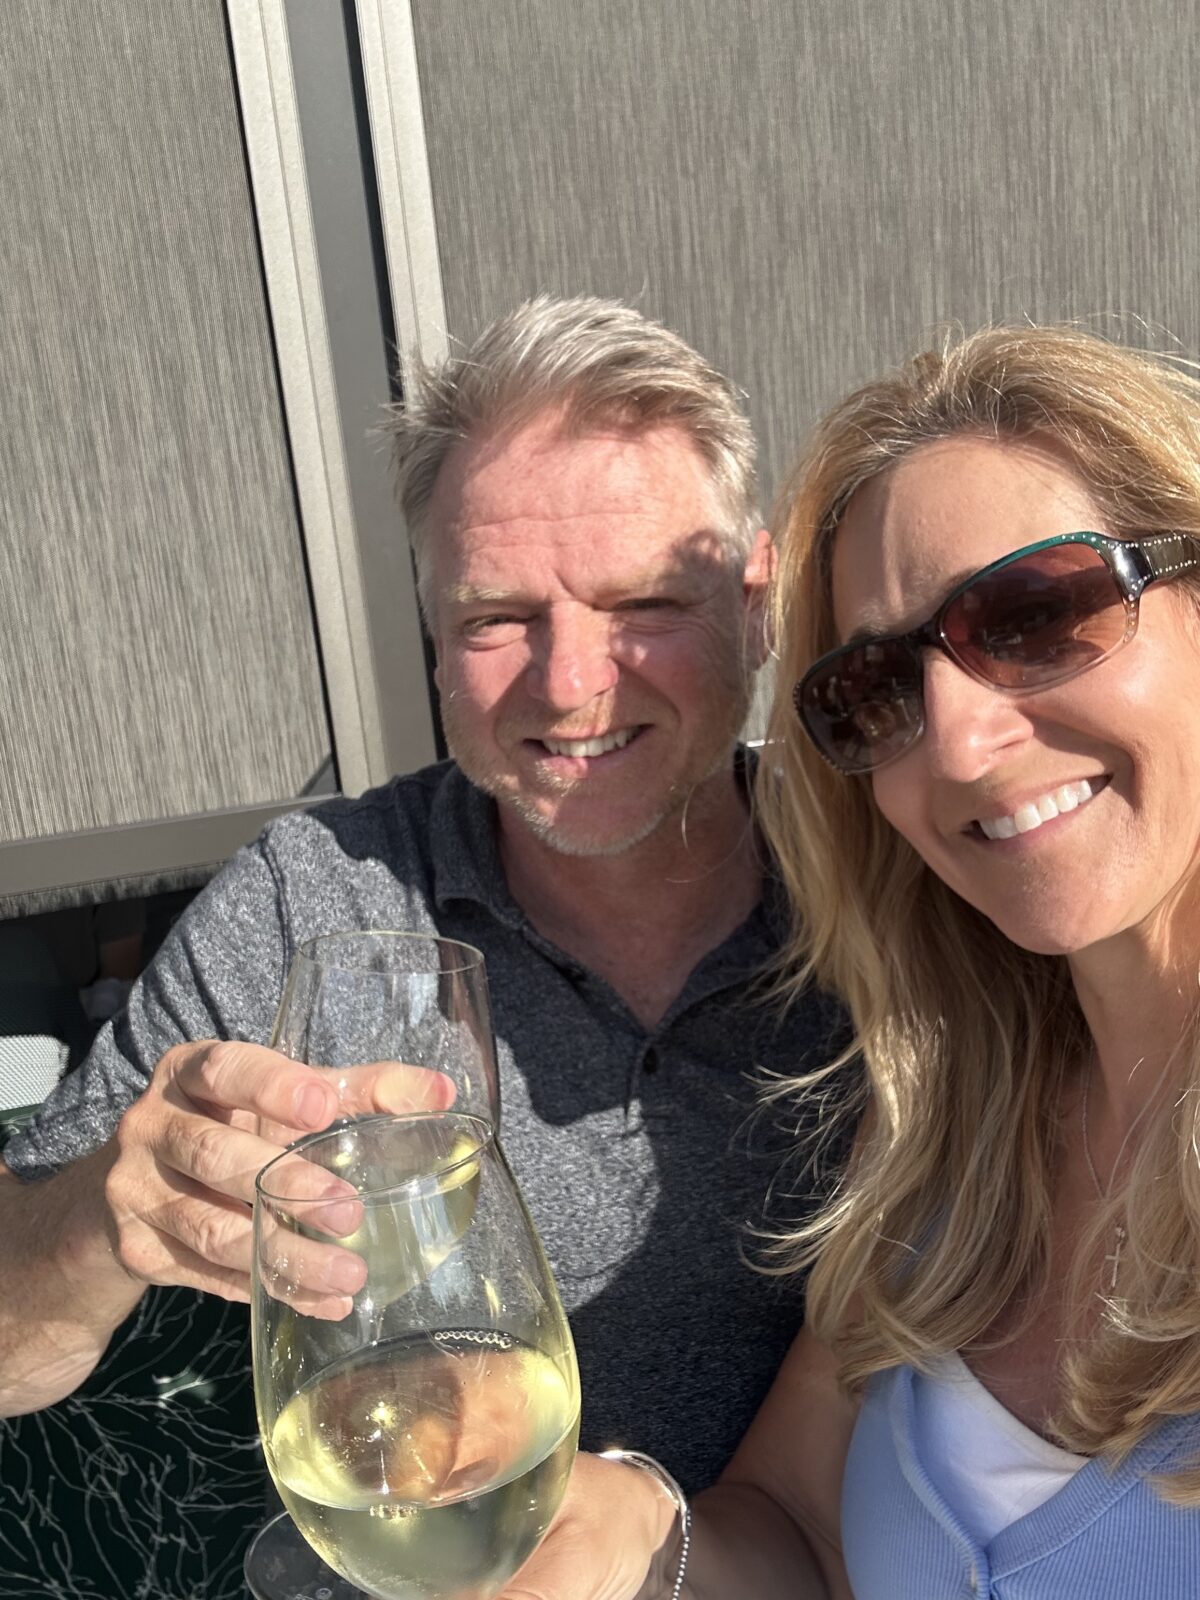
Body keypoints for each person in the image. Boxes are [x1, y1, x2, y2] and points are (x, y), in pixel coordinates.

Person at [0, 295, 846, 1495]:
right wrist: (97, 1219)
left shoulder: (888, 887)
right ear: (434, 641)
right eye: (500, 617)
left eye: (643, 606)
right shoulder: (313, 901)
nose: (569, 686)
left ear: (757, 605)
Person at [497, 322, 1200, 1599]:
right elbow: (808, 1528)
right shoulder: (951, 1132)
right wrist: (636, 1539)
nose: (961, 743)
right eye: (880, 685)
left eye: (1038, 614)